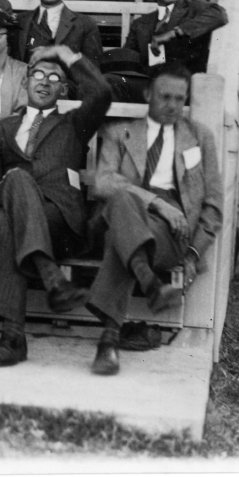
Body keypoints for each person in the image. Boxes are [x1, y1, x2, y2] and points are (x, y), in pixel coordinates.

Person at [0, 45, 112, 367]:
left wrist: (67, 55)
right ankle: (51, 280)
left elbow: (102, 92)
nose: (45, 82)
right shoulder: (0, 129)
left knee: (9, 217)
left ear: (64, 88)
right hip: (16, 209)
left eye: (54, 78)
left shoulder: (75, 124)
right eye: (38, 75)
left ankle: (13, 337)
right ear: (25, 82)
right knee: (10, 201)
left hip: (59, 220)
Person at [86, 63, 222, 375]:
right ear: (148, 94)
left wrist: (193, 253)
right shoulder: (119, 131)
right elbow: (105, 182)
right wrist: (158, 202)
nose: (173, 105)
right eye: (164, 97)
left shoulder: (200, 138)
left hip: (172, 233)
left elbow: (213, 205)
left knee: (119, 236)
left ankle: (109, 339)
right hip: (128, 213)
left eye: (179, 98)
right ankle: (148, 285)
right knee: (121, 201)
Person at [124, 0, 228, 74]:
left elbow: (220, 14)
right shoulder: (139, 24)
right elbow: (127, 58)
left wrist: (173, 33)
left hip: (184, 85)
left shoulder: (194, 8)